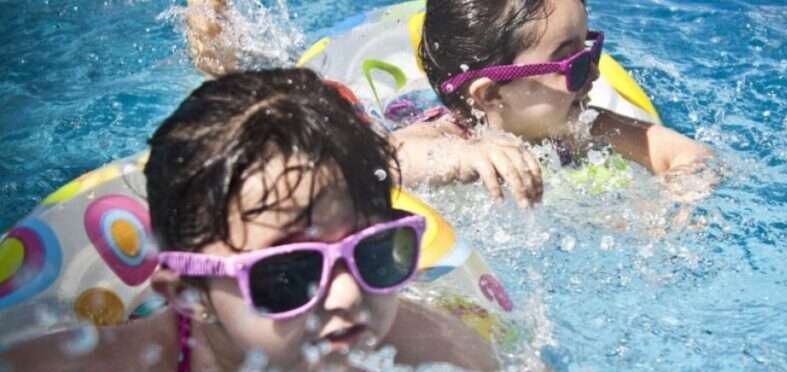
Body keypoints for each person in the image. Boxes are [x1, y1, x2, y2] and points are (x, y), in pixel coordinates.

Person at [0, 68, 498, 372]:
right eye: (289, 273)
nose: (348, 294)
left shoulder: (423, 348)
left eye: (373, 254)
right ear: (189, 294)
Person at [182, 0, 715, 213]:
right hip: (385, 111)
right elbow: (367, 166)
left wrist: (674, 208)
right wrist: (456, 162)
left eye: (591, 49)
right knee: (257, 90)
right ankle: (215, 35)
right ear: (488, 96)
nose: (593, 73)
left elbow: (683, 154)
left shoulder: (582, 124)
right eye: (572, 63)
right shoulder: (446, 138)